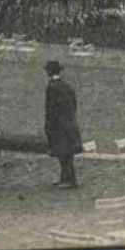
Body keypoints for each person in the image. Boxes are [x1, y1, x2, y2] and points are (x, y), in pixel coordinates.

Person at [44, 59, 82, 188]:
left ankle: (70, 180)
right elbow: (74, 105)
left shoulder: (51, 87)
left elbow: (50, 109)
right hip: (69, 123)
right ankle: (66, 179)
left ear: (49, 72)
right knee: (67, 153)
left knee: (63, 154)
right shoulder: (66, 86)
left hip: (58, 125)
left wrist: (49, 125)